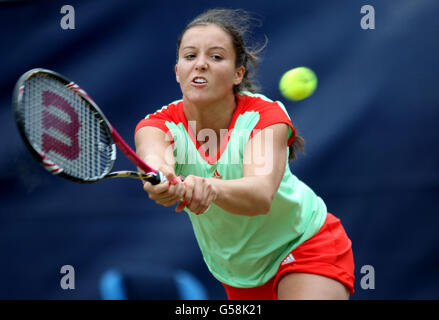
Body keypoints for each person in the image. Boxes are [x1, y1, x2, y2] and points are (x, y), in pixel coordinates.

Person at [134, 8, 355, 300]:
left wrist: (206, 186)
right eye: (190, 56)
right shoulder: (156, 125)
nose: (200, 64)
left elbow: (259, 194)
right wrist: (162, 183)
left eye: (215, 57)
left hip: (304, 244)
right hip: (239, 273)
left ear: (238, 74)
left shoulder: (265, 116)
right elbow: (156, 162)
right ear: (178, 72)